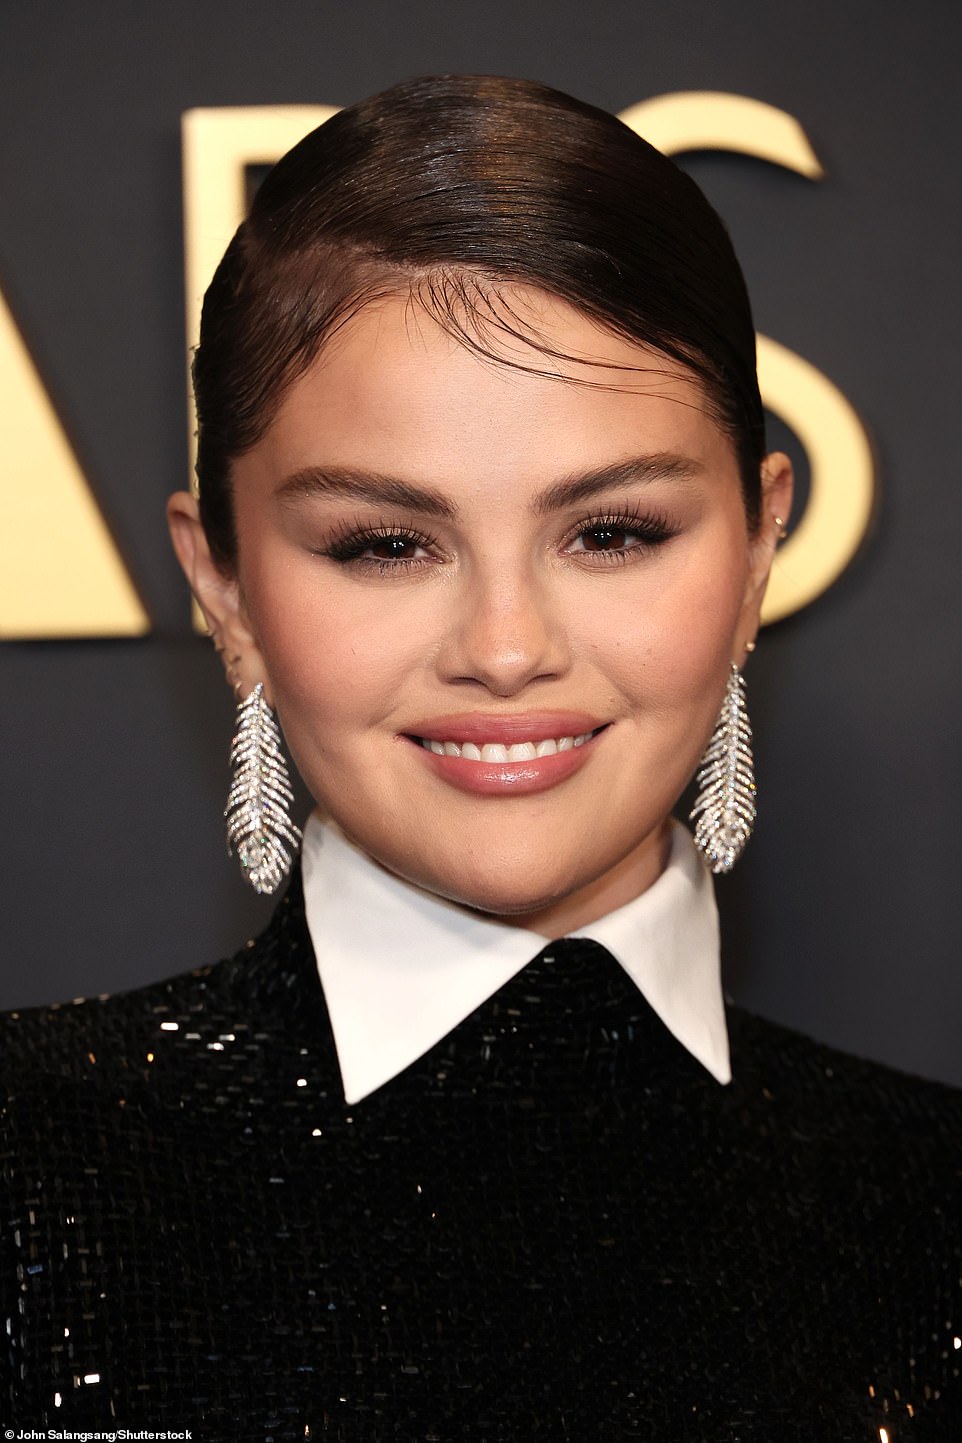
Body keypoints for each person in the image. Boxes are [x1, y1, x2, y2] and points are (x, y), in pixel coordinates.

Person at [2, 75, 960, 1440]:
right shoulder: (32, 1173)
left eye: (612, 532)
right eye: (385, 545)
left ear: (755, 548)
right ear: (223, 590)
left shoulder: (932, 1208)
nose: (504, 648)